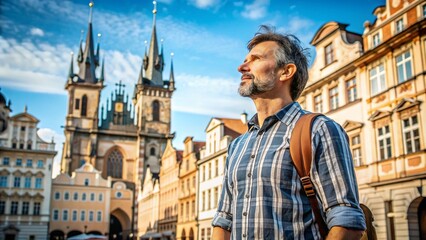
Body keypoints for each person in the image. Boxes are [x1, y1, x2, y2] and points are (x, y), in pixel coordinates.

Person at [211, 25, 366, 240]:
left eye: (255, 59)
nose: (241, 67)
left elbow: (346, 219)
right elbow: (224, 219)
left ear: (286, 71)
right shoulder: (238, 145)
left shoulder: (318, 129)